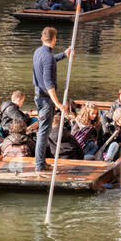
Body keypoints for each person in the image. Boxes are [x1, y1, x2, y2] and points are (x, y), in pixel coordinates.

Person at [32, 27, 74, 172]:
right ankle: (39, 165)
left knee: (45, 131)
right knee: (43, 133)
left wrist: (64, 55)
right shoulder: (48, 57)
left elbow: (48, 63)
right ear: (54, 39)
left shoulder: (39, 52)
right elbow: (49, 84)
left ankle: (41, 162)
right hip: (45, 100)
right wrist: (58, 104)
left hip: (38, 97)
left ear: (42, 39)